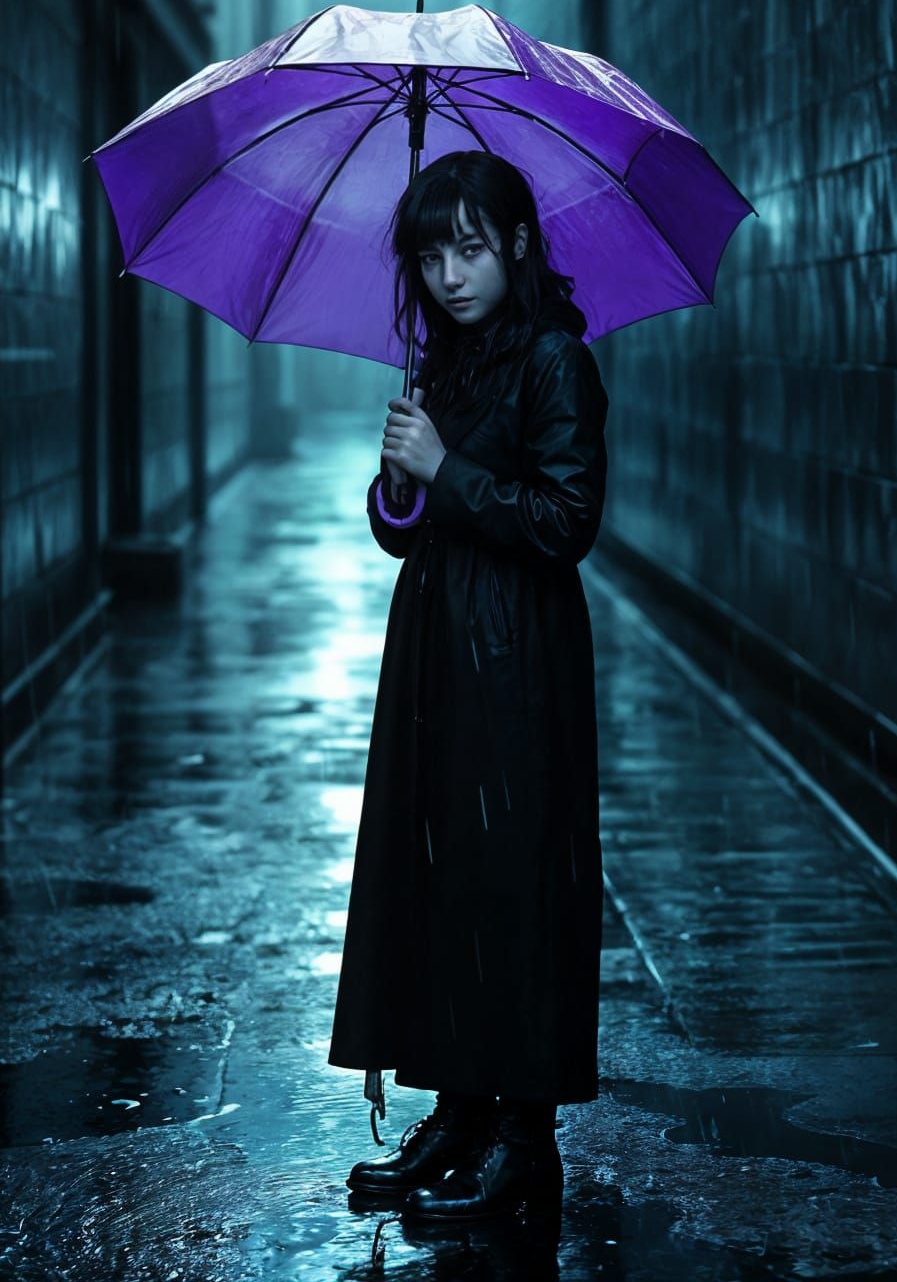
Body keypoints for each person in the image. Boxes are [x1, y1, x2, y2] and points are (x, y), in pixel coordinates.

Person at [327, 149, 609, 1221]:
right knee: (441, 872)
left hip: (521, 667)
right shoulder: (440, 364)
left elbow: (564, 521)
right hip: (439, 659)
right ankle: (457, 1107)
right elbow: (403, 530)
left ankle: (523, 1138)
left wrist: (448, 471)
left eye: (471, 248)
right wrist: (400, 485)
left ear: (520, 245)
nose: (449, 273)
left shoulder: (554, 364)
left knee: (514, 881)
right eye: (431, 252)